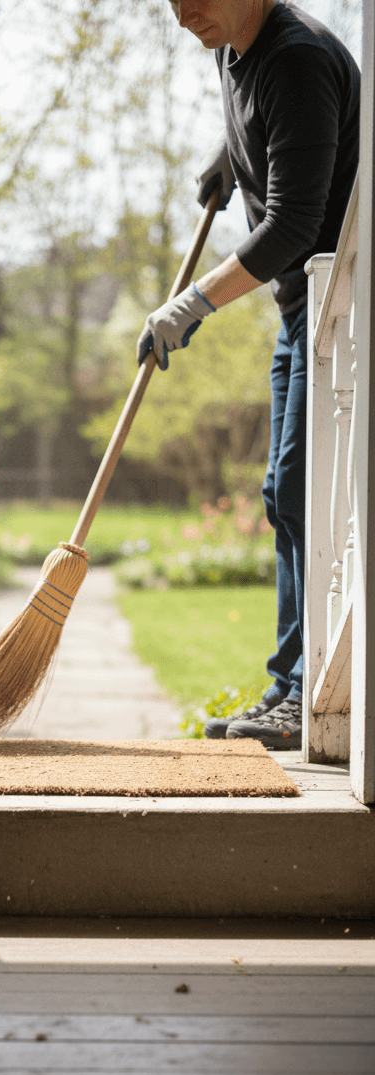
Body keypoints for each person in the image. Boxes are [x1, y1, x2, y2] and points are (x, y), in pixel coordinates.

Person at [138, 0, 359, 749]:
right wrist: (228, 155)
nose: (181, 15)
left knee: (302, 491)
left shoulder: (297, 58)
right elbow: (271, 123)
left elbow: (295, 224)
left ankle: (306, 692)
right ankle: (289, 686)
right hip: (299, 309)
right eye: (169, 1)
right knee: (282, 492)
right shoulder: (236, 47)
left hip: (338, 310)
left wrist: (190, 304)